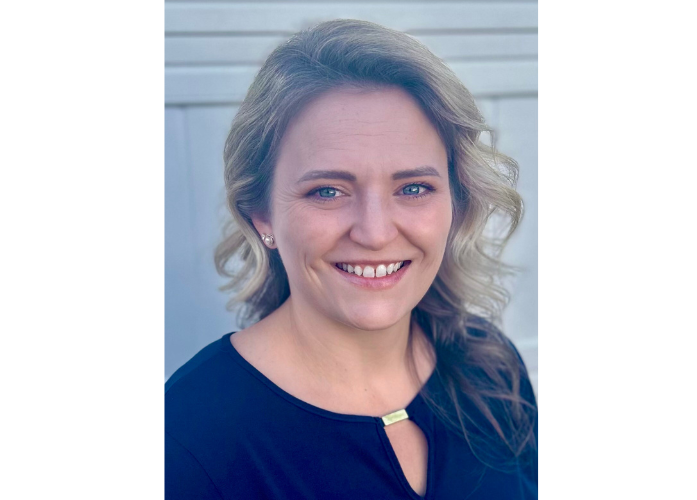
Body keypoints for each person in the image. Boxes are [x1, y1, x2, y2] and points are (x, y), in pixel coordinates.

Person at [165, 19, 537, 499]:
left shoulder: (489, 368)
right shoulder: (188, 438)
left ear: (456, 203)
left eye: (414, 188)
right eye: (327, 190)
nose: (376, 232)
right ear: (261, 215)